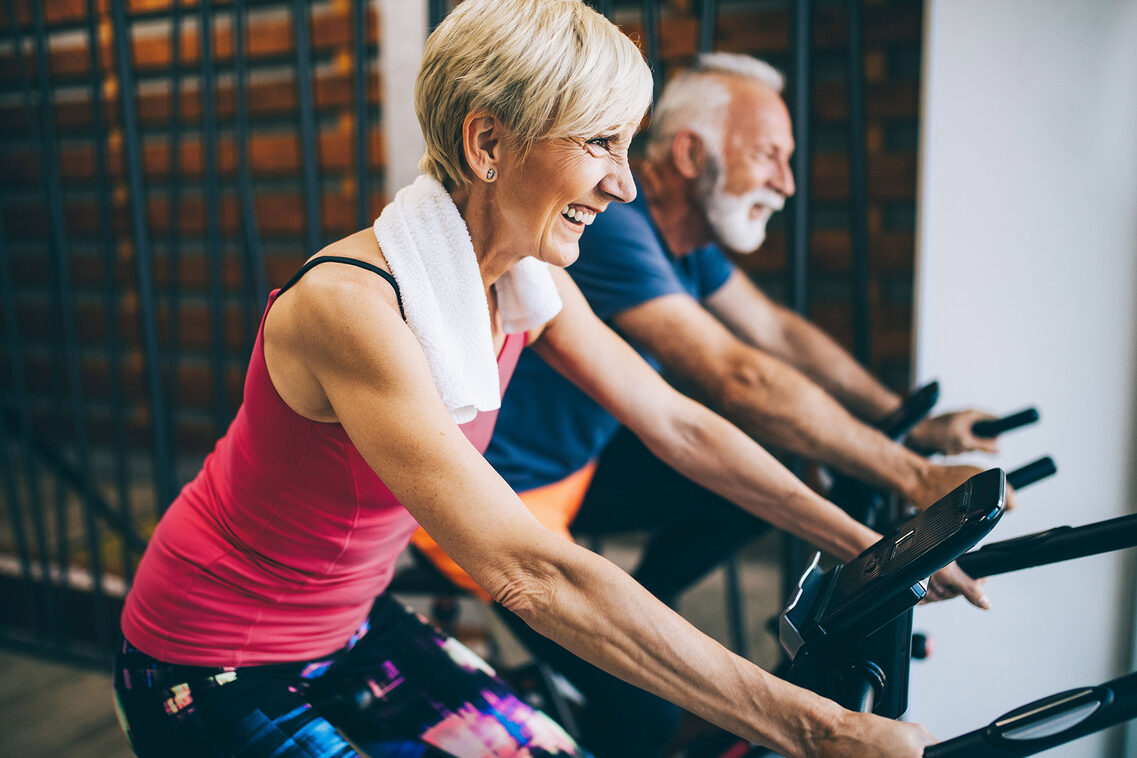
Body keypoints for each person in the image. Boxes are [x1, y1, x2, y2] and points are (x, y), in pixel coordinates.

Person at [113, 5, 964, 757]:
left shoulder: (525, 281)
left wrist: (873, 549)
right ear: (488, 144)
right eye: (599, 143)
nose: (623, 184)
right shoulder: (352, 308)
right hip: (206, 657)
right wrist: (817, 730)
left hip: (349, 627)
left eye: (625, 146)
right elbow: (530, 571)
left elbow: (677, 424)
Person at [410, 52, 1010, 756]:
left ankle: (639, 613)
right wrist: (910, 475)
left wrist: (888, 498)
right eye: (600, 143)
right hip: (494, 494)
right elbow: (736, 376)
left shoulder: (629, 256)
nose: (621, 184)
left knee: (752, 472)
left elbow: (750, 357)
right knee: (648, 713)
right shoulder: (594, 235)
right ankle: (621, 659)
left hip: (573, 468)